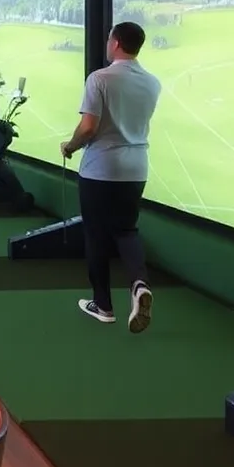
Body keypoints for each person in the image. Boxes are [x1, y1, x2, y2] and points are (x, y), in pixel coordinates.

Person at [61, 21, 161, 333]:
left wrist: (71, 145)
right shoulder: (152, 82)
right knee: (127, 231)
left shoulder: (100, 78)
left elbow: (89, 127)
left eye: (108, 39)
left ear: (116, 43)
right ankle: (139, 284)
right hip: (136, 168)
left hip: (101, 168)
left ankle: (102, 305)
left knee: (96, 235)